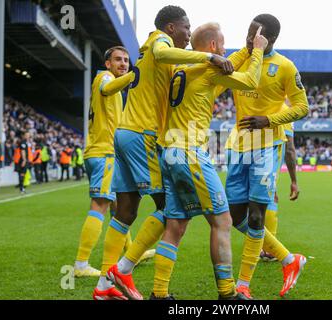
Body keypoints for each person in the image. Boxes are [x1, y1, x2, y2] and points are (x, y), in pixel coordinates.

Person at [109, 22, 267, 300]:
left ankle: (159, 292)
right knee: (222, 220)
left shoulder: (182, 69)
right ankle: (227, 293)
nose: (225, 49)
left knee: (176, 224)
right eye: (224, 43)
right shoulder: (207, 68)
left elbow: (222, 69)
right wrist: (258, 52)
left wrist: (245, 48)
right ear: (214, 47)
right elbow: (251, 81)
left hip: (168, 152)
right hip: (189, 152)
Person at [93, 5, 233, 301]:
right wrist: (210, 56)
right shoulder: (160, 41)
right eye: (185, 27)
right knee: (172, 211)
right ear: (171, 27)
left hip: (125, 133)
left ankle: (105, 286)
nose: (187, 33)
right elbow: (163, 53)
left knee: (127, 212)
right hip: (143, 134)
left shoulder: (156, 56)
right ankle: (122, 269)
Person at [223, 14, 309, 299]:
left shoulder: (285, 67)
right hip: (238, 145)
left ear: (270, 38)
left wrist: (270, 120)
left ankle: (243, 286)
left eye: (254, 34)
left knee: (257, 213)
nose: (248, 38)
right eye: (247, 32)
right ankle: (288, 258)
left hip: (267, 145)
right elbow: (222, 70)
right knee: (235, 216)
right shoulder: (242, 59)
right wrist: (247, 49)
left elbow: (302, 107)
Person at [74, 46, 138, 279]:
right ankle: (81, 264)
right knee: (100, 205)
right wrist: (136, 74)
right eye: (118, 60)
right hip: (103, 154)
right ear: (107, 63)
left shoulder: (115, 88)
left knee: (118, 208)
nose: (123, 63)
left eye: (126, 61)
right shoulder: (105, 77)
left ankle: (130, 254)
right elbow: (107, 87)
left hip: (100, 153)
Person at [261, 118, 299, 262]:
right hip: (267, 163)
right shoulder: (284, 112)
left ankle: (260, 244)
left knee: (252, 201)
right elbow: (289, 150)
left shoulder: (257, 103)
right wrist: (294, 181)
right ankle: (269, 249)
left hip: (246, 156)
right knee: (270, 199)